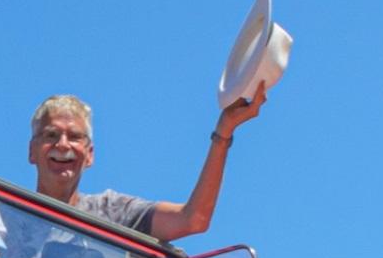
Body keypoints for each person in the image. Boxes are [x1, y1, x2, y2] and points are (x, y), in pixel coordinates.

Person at [27, 87, 265, 242]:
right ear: (32, 152)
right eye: (51, 135)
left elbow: (193, 219)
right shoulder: (1, 219)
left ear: (89, 155)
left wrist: (224, 133)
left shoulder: (113, 212)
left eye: (75, 137)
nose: (63, 144)